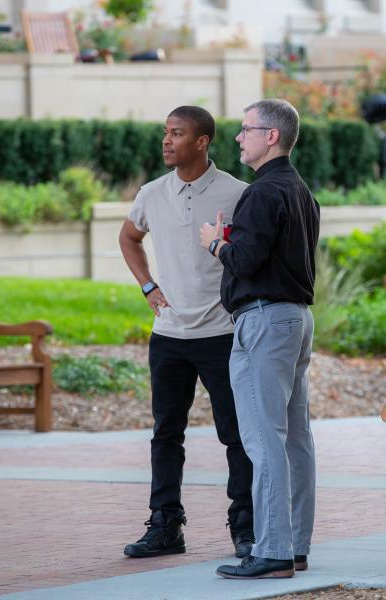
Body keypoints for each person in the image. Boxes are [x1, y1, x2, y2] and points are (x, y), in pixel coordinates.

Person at [119, 105, 254, 559]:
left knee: (235, 434)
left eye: (176, 134)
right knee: (165, 433)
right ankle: (165, 526)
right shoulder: (152, 193)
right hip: (169, 335)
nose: (166, 141)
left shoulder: (238, 192)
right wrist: (148, 286)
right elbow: (129, 237)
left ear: (202, 141)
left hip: (221, 333)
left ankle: (246, 525)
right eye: (165, 133)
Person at [200, 99, 320, 579]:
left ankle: (272, 551)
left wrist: (214, 240)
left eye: (245, 129)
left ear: (271, 136)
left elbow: (244, 260)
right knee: (296, 439)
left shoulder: (262, 192)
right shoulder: (299, 190)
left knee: (263, 437)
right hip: (295, 319)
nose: (237, 137)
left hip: (265, 321)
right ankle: (294, 547)